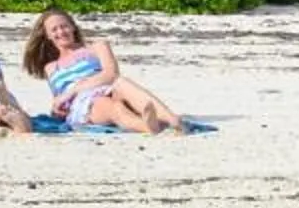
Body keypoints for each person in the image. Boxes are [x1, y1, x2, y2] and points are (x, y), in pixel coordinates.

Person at [21, 9, 189, 134]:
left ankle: (172, 120)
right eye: (54, 29)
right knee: (110, 105)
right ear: (48, 36)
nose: (61, 32)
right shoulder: (51, 67)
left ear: (72, 27)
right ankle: (147, 126)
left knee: (121, 83)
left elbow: (111, 74)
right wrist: (57, 109)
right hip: (82, 104)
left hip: (107, 87)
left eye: (64, 26)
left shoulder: (97, 47)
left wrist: (73, 90)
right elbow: (59, 99)